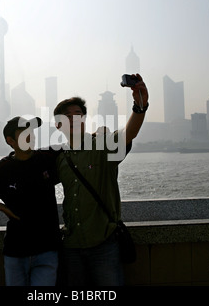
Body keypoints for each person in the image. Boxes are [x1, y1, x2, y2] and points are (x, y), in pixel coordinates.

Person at [53, 73, 149, 286]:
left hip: (104, 244)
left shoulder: (102, 145)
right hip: (71, 244)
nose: (73, 118)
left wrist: (140, 105)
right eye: (66, 116)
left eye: (78, 114)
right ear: (58, 125)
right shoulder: (58, 157)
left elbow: (128, 133)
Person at [0, 116, 61, 286]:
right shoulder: (0, 169)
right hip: (16, 251)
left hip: (48, 248)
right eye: (24, 133)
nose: (30, 135)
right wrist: (1, 207)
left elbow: (78, 149)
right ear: (10, 141)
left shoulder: (48, 157)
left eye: (31, 131)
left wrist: (99, 135)